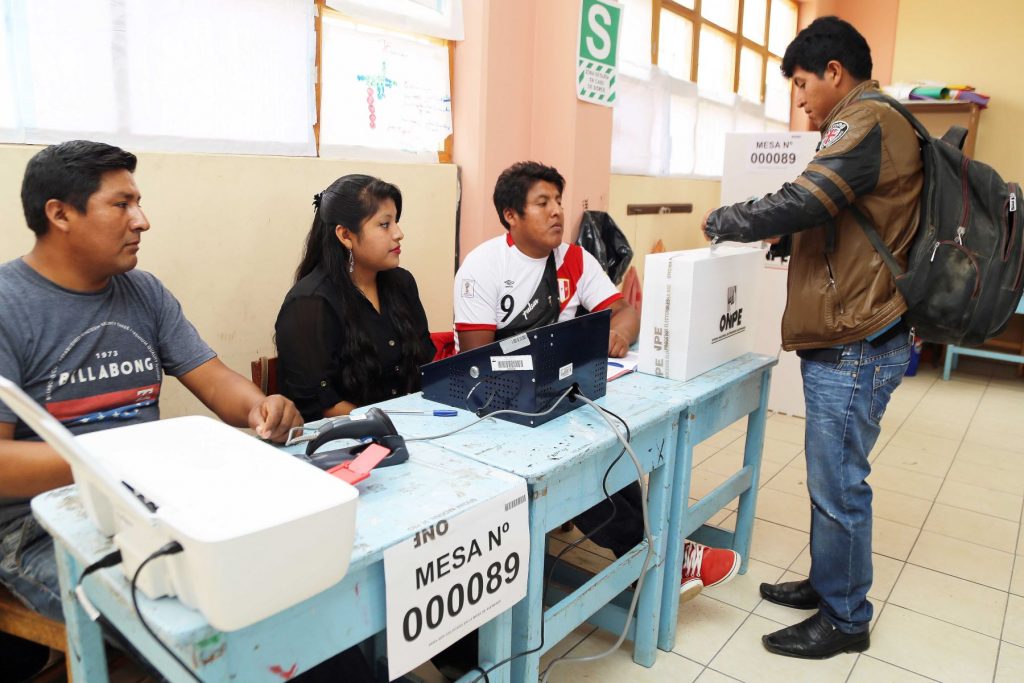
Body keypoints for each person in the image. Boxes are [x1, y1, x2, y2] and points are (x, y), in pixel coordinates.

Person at [0, 140, 371, 682]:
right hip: (42, 527)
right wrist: (124, 460)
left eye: (138, 202)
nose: (141, 221)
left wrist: (262, 406)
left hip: (155, 502)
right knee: (212, 617)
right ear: (59, 214)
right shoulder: (10, 305)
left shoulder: (143, 293)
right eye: (121, 204)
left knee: (290, 577)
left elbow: (218, 383)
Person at [701, 17, 921, 659]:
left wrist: (728, 219)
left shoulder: (865, 120)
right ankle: (831, 585)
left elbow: (810, 197)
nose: (800, 99)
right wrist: (790, 235)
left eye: (802, 84)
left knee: (839, 484)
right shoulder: (874, 121)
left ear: (834, 72)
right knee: (831, 479)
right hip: (855, 327)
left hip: (856, 335)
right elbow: (846, 214)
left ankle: (846, 619)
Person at [454, 160, 742, 599]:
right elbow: (478, 361)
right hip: (499, 411)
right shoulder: (484, 266)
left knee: (613, 447)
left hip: (555, 399)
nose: (556, 212)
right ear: (511, 215)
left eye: (558, 201)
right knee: (585, 467)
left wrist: (620, 332)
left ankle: (663, 553)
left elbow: (625, 310)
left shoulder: (573, 259)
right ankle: (665, 560)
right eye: (542, 203)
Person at [275, 174, 435, 422]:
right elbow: (323, 406)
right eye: (384, 224)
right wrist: (395, 424)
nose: (398, 233)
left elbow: (425, 367)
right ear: (345, 236)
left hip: (413, 429)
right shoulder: (310, 303)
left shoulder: (402, 284)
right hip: (342, 441)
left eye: (396, 222)